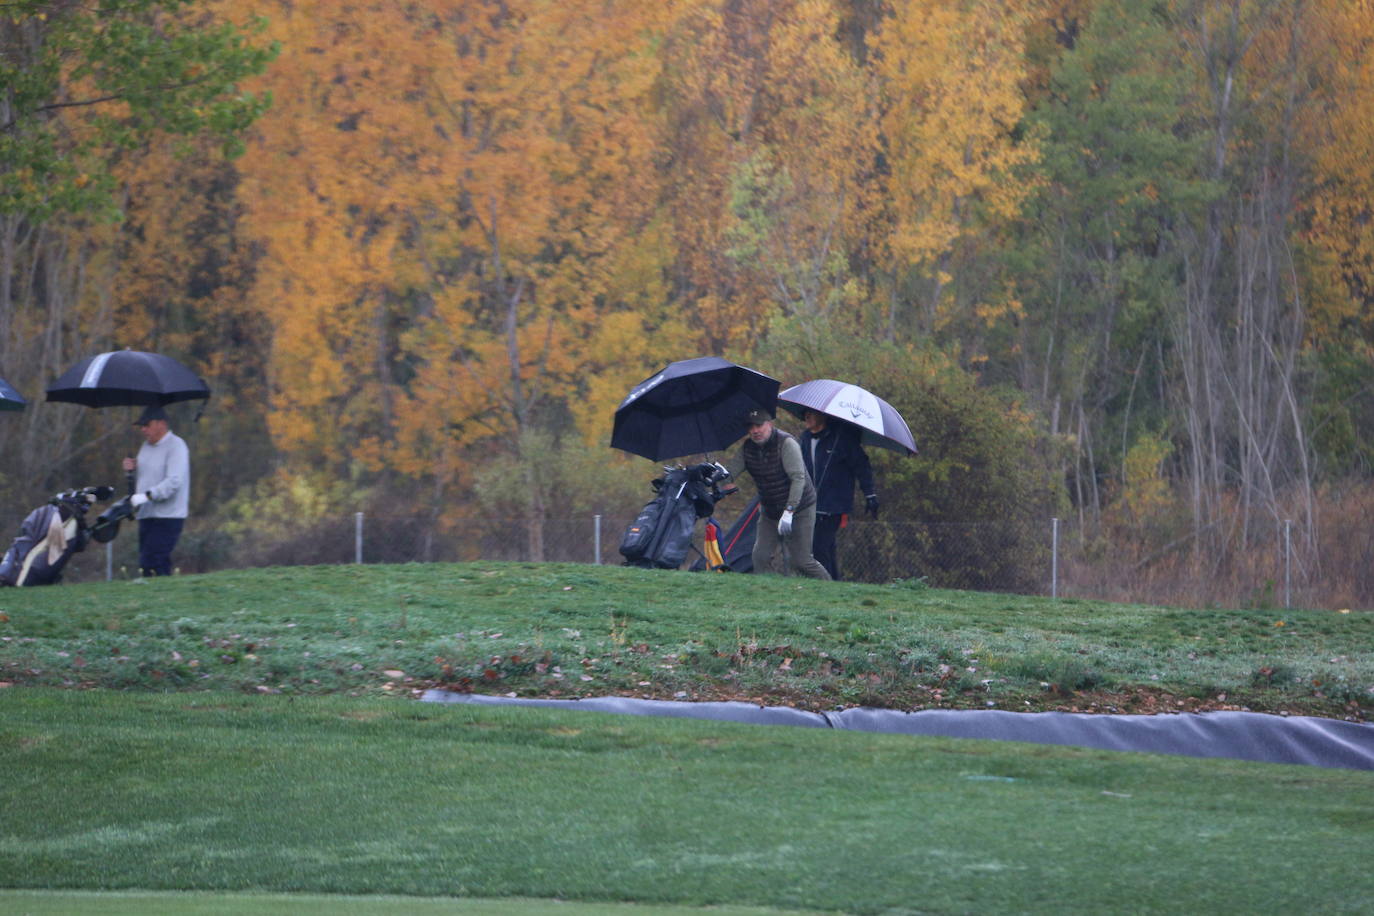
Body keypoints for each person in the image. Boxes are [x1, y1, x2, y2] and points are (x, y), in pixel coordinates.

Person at [725, 408, 831, 579]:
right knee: (760, 558)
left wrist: (789, 511)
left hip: (800, 508)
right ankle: (772, 591)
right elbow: (728, 474)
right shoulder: (747, 448)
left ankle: (829, 588)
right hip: (770, 511)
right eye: (751, 427)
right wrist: (713, 475)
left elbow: (798, 479)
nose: (755, 431)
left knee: (802, 561)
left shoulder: (786, 443)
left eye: (759, 425)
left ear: (769, 424)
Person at [798, 409, 878, 581]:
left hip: (833, 506)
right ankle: (833, 582)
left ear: (823, 416)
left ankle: (823, 584)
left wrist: (870, 494)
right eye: (805, 414)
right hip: (809, 503)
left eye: (811, 413)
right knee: (826, 548)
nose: (807, 416)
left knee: (819, 547)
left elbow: (862, 466)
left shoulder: (842, 439)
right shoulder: (804, 439)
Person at [122, 404, 190, 577]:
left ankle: (159, 592)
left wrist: (147, 496)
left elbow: (173, 482)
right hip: (146, 515)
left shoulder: (176, 446)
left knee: (152, 562)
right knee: (151, 564)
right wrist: (131, 469)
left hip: (168, 516)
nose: (143, 429)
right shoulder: (145, 447)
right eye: (141, 426)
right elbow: (147, 477)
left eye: (147, 425)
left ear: (162, 423)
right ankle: (163, 593)